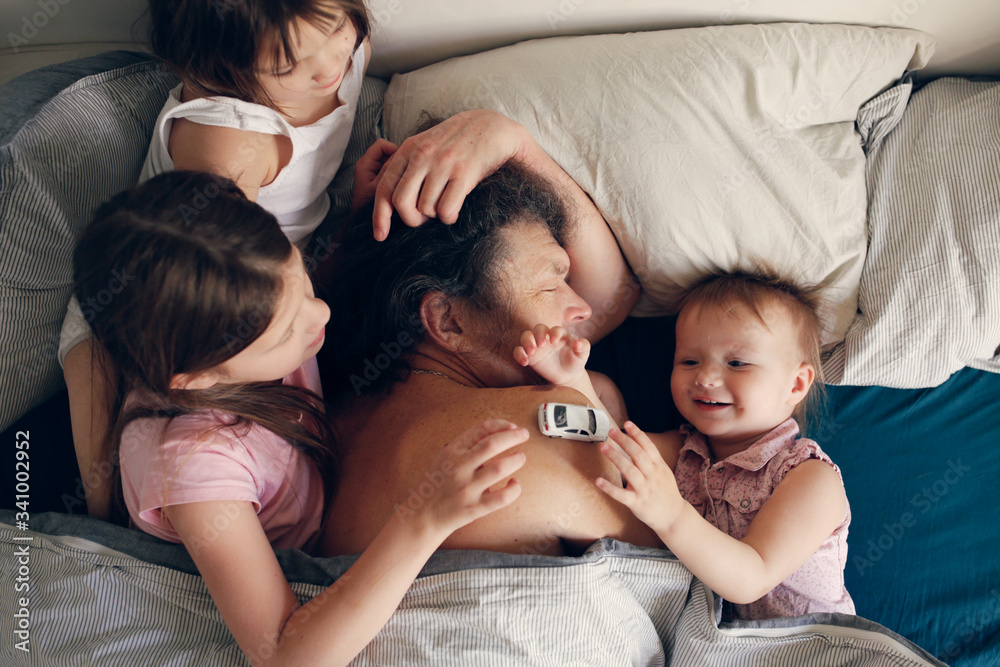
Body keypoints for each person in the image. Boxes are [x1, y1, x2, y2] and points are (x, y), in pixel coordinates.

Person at [74, 170, 530, 666]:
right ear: (198, 379)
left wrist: (352, 226)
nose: (321, 316)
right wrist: (425, 519)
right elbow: (286, 656)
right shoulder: (197, 465)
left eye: (301, 280)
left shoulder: (243, 305)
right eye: (287, 330)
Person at [61, 0, 389, 518]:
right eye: (286, 67)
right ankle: (105, 528)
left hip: (272, 280)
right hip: (171, 308)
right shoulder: (229, 143)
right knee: (110, 481)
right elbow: (219, 284)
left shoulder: (330, 47)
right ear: (220, 67)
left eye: (334, 28)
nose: (331, 66)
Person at [318, 162, 659, 557]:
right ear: (448, 320)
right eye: (552, 283)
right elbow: (667, 561)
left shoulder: (318, 425)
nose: (582, 307)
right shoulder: (545, 423)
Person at [561, 270, 853, 619]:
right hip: (709, 644)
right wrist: (570, 377)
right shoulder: (686, 452)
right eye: (689, 361)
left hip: (810, 648)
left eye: (737, 363)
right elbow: (614, 445)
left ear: (796, 384)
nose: (705, 377)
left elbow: (752, 577)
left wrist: (672, 515)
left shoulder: (809, 478)